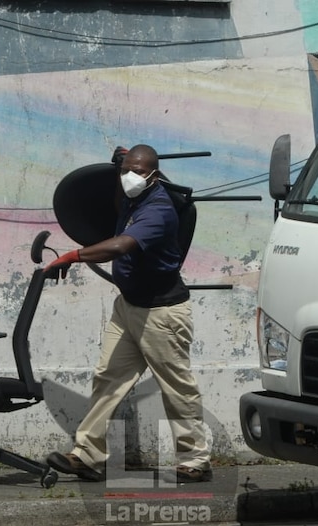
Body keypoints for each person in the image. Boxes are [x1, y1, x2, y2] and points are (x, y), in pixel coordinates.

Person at [44, 144, 211, 484]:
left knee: (177, 387)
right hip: (129, 307)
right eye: (125, 170)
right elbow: (119, 201)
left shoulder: (159, 210)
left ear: (152, 175)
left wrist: (72, 256)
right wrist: (120, 160)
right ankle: (88, 456)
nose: (129, 177)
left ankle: (195, 459)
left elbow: (120, 245)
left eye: (137, 172)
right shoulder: (131, 197)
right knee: (108, 378)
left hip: (162, 313)